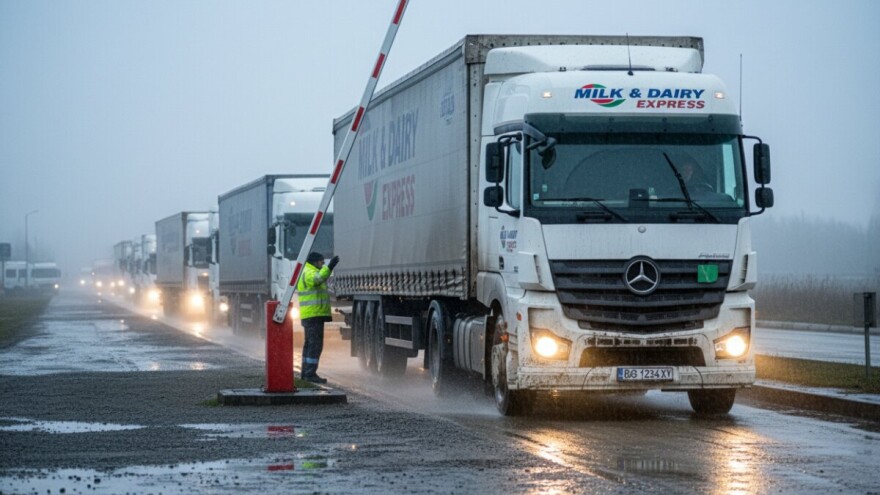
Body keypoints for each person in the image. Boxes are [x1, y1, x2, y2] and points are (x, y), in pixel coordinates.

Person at [297, 251, 339, 384]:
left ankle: (306, 373)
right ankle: (310, 373)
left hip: (311, 315)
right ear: (315, 262)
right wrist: (330, 267)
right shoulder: (309, 272)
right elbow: (318, 279)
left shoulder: (307, 271)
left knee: (310, 345)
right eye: (321, 262)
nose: (323, 264)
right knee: (315, 345)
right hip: (313, 315)